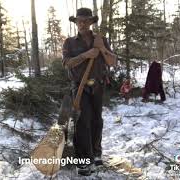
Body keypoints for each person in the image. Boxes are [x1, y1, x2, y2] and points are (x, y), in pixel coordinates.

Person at [62, 7, 117, 176]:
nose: (82, 24)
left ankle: (96, 153)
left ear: (91, 22)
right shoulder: (69, 42)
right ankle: (83, 160)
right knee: (82, 122)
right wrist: (87, 54)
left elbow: (112, 61)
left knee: (96, 121)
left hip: (98, 86)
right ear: (76, 22)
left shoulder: (101, 40)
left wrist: (102, 49)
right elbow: (67, 64)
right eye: (79, 21)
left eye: (86, 20)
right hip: (79, 86)